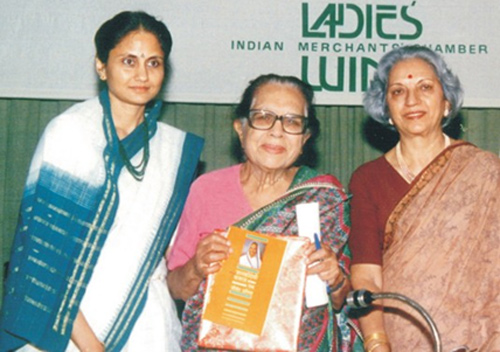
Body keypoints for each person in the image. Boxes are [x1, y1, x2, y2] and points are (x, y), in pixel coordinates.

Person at [0, 11, 203, 352]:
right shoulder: (72, 132)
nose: (142, 74)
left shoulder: (170, 149)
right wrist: (91, 346)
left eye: (154, 63)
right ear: (101, 66)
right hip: (67, 324)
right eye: (128, 61)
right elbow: (45, 258)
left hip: (147, 319)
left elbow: (167, 251)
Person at [167, 74, 358, 351]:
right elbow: (175, 288)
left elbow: (342, 300)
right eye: (263, 116)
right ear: (240, 128)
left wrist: (336, 279)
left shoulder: (322, 197)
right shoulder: (206, 190)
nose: (277, 131)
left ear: (305, 137)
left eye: (292, 121)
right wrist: (197, 267)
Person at [349, 45, 500, 351]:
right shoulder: (368, 179)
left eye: (425, 87)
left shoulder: (487, 172)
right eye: (398, 91)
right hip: (397, 339)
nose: (412, 100)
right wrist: (377, 344)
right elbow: (367, 275)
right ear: (387, 110)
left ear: (446, 102)